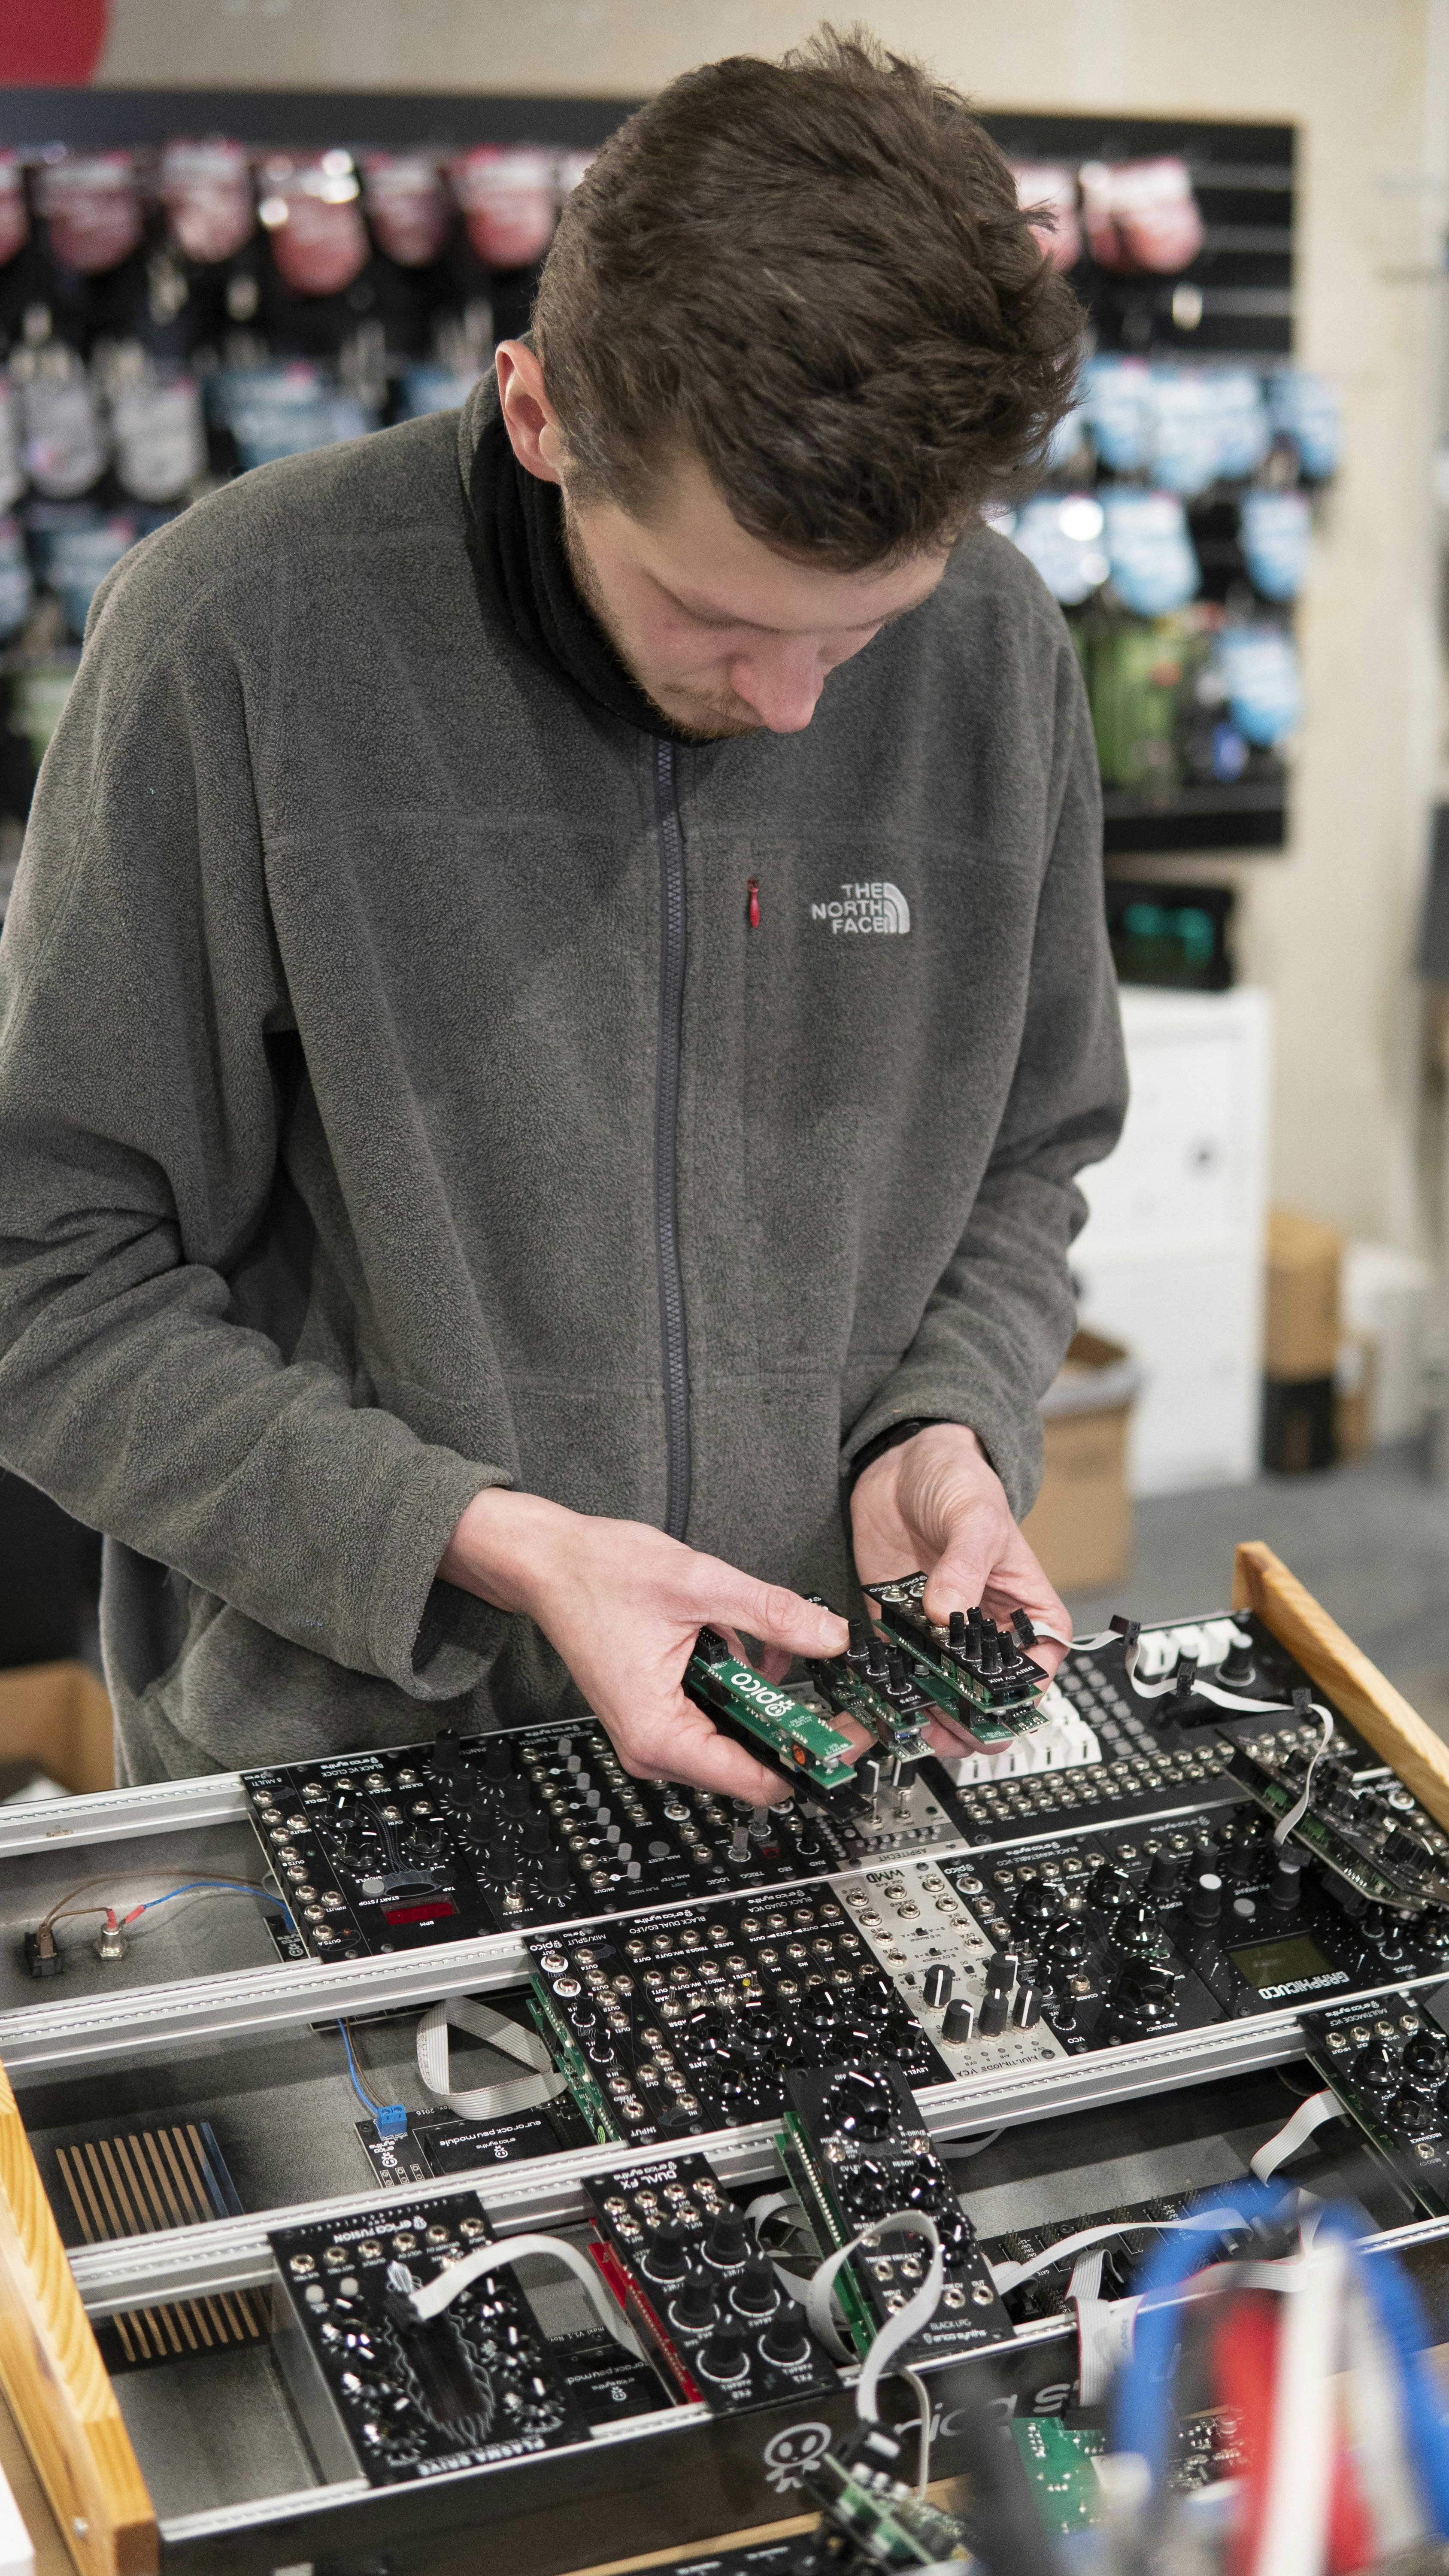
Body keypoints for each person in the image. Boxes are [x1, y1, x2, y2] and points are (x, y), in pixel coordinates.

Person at [0, 30, 1126, 1796]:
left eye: (860, 630)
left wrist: (949, 1417)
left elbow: (1027, 1154)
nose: (796, 712)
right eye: (716, 618)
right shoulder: (234, 635)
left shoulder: (997, 653)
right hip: (349, 1763)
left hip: (809, 1729)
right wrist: (481, 1539)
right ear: (540, 415)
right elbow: (43, 1276)